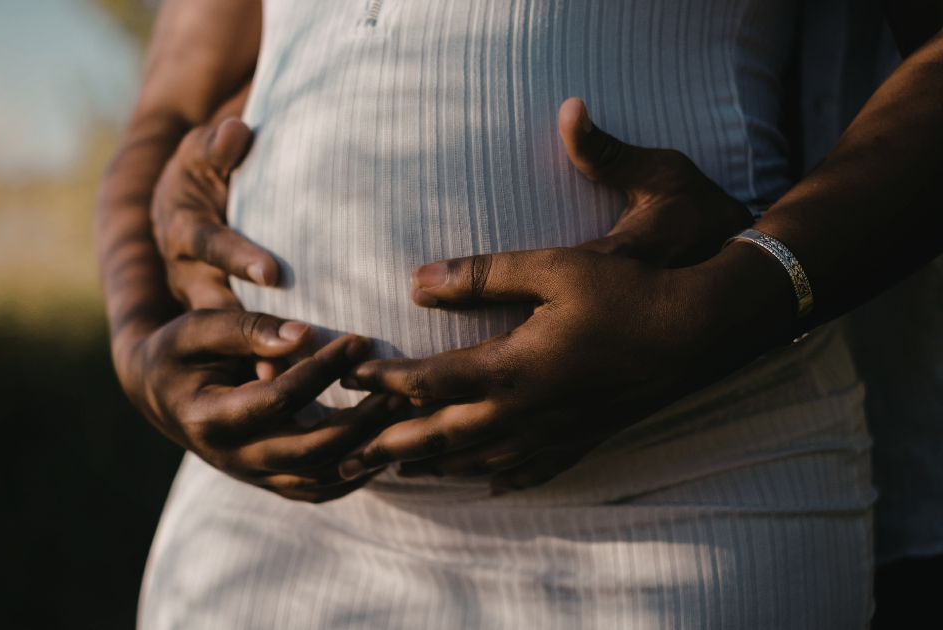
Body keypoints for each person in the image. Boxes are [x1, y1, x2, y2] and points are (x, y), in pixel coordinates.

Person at [94, 0, 943, 627]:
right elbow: (171, 105)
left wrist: (728, 303)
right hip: (267, 525)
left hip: (690, 496)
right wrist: (137, 342)